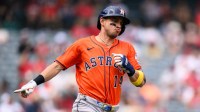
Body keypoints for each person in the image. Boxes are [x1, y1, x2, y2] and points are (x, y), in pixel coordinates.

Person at [14, 5, 146, 112]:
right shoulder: (82, 44)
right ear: (102, 21)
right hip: (87, 105)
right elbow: (57, 65)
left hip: (113, 108)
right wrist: (33, 83)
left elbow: (141, 82)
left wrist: (130, 69)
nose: (118, 25)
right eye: (115, 21)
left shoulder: (127, 47)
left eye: (121, 23)